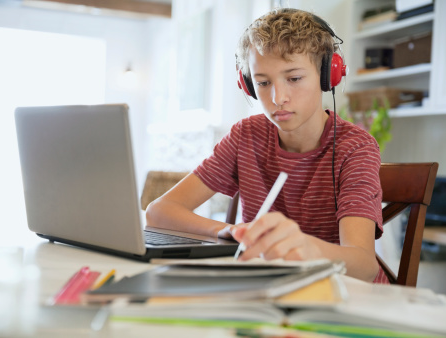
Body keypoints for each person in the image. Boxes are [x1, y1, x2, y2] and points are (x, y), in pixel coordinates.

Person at [146, 8, 388, 284]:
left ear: (327, 75)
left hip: (343, 295)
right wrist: (228, 231)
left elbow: (364, 266)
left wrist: (306, 247)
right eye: (262, 82)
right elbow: (158, 211)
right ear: (248, 84)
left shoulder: (355, 148)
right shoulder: (246, 136)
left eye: (294, 78)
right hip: (269, 287)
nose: (278, 97)